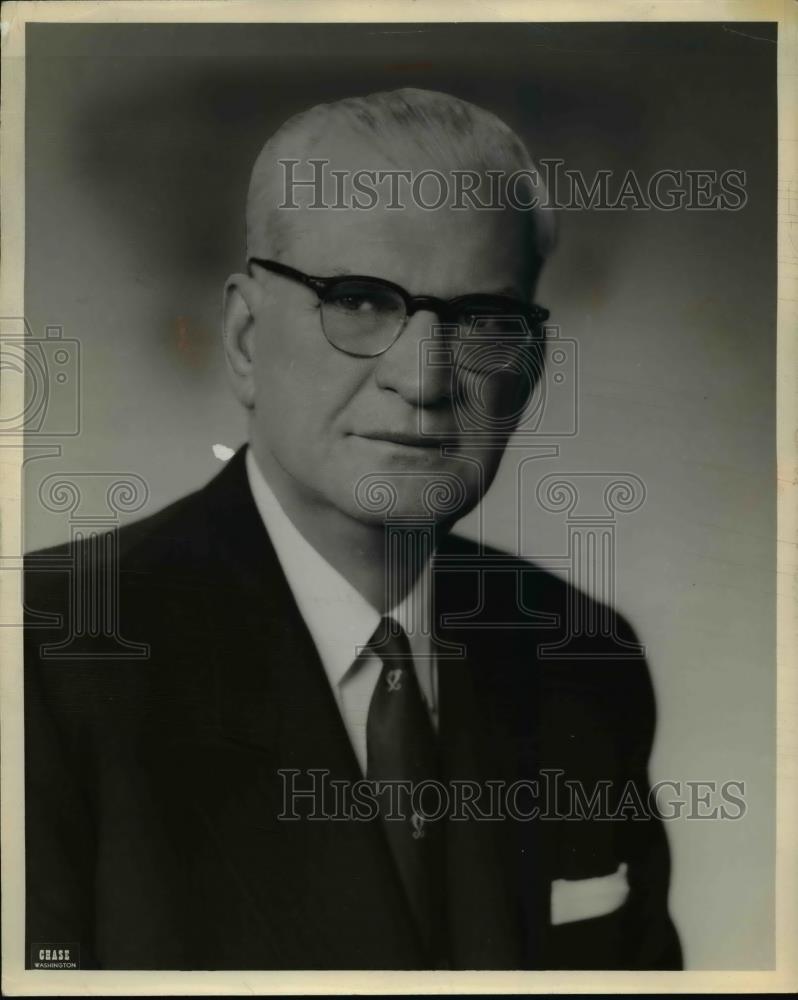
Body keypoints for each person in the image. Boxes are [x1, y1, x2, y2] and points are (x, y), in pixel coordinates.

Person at [24, 88, 682, 970]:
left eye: (483, 320)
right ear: (248, 339)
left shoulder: (582, 656)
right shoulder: (43, 657)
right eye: (362, 301)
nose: (423, 379)